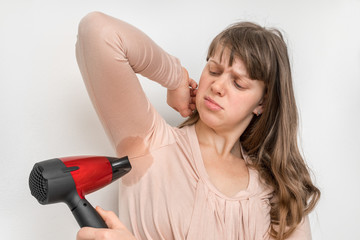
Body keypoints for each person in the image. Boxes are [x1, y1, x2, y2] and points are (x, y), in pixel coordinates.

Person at [75, 11, 320, 240]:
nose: (217, 86)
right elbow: (97, 31)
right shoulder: (150, 144)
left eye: (238, 83)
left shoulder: (280, 194)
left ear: (262, 103)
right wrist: (175, 78)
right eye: (214, 70)